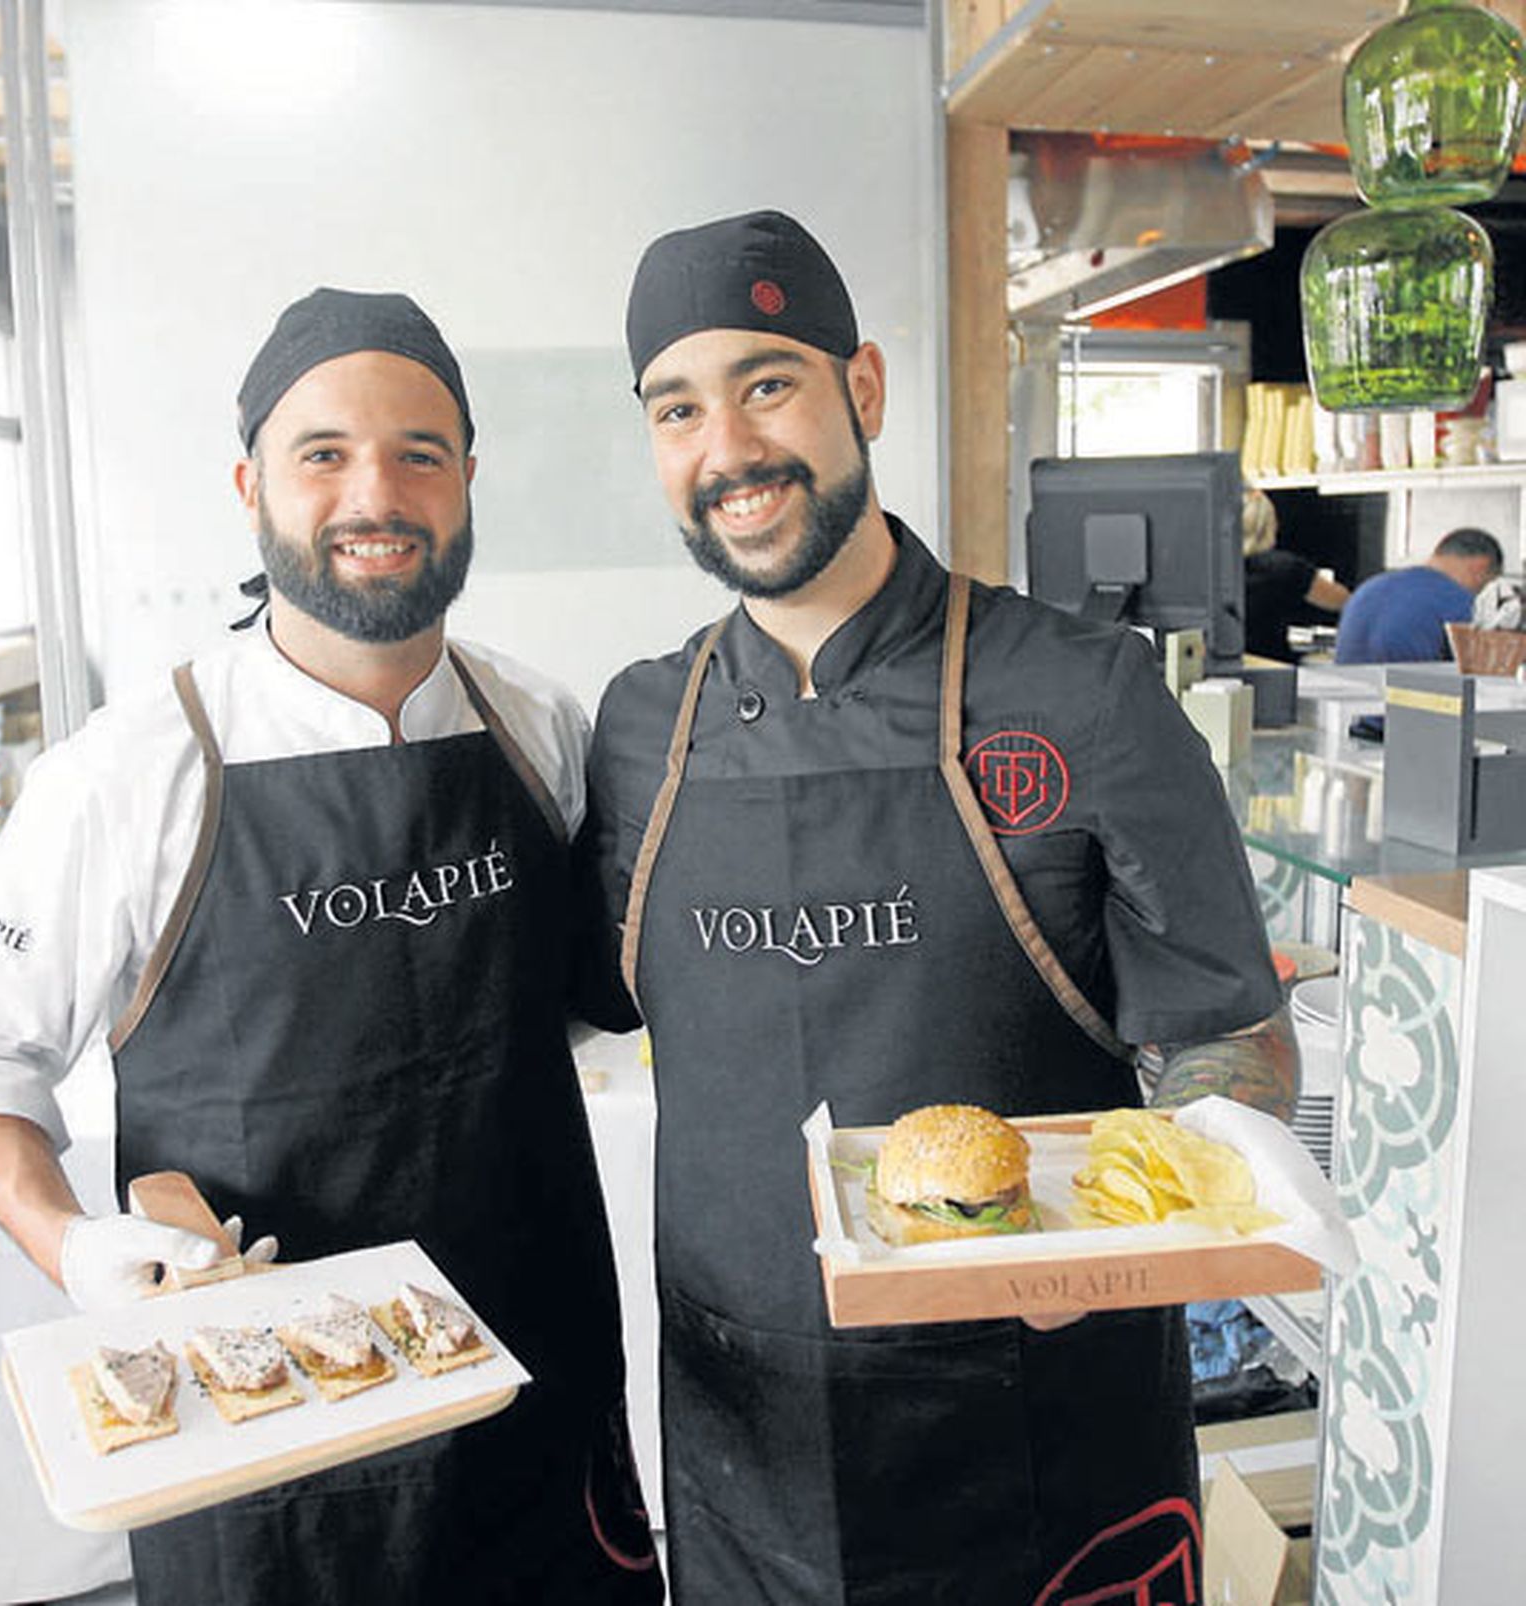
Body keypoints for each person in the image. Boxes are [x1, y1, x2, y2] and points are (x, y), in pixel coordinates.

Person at [578, 209, 1300, 1603]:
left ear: (864, 387)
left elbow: (1235, 1040)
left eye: (768, 384)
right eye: (679, 409)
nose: (728, 446)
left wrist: (1122, 1244)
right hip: (746, 1446)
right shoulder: (638, 731)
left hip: (1047, 1436)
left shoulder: (1084, 692)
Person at [0, 289, 661, 1606]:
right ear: (249, 485)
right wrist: (71, 1244)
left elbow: (573, 999)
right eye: (323, 453)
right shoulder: (131, 770)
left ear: (468, 480)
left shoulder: (537, 725)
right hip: (265, 1439)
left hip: (534, 1398)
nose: (374, 494)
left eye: (417, 454)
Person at [1334, 526, 1503, 664]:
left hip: (1349, 692)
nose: (1482, 594)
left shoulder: (1370, 587)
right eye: (1486, 584)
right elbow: (1490, 669)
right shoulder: (1457, 600)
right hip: (1407, 693)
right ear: (1479, 569)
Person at [1242, 486, 1349, 662]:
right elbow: (1342, 601)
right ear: (1271, 525)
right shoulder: (1284, 567)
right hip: (1273, 667)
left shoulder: (1212, 570)